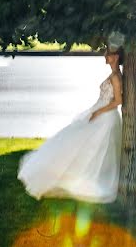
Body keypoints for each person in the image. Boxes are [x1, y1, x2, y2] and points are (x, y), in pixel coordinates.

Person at [17, 49, 123, 203]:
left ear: (117, 57)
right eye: (106, 54)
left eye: (109, 54)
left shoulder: (115, 77)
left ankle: (86, 179)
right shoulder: (114, 75)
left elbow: (118, 101)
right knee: (84, 144)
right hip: (101, 113)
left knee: (93, 148)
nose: (106, 56)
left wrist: (98, 112)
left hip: (106, 117)